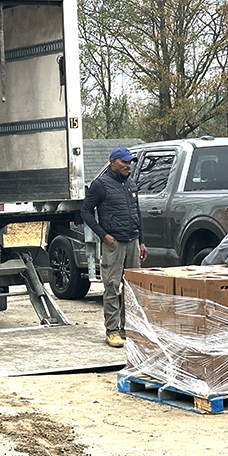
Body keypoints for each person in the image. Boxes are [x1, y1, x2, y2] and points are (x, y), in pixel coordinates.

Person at [81, 147, 147, 348]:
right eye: (124, 162)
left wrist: (142, 241)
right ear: (113, 162)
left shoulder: (131, 184)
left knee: (132, 287)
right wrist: (103, 235)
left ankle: (129, 328)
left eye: (130, 162)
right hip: (114, 242)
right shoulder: (100, 185)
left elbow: (137, 212)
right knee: (112, 285)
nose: (128, 166)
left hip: (133, 240)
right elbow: (85, 211)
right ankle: (112, 331)